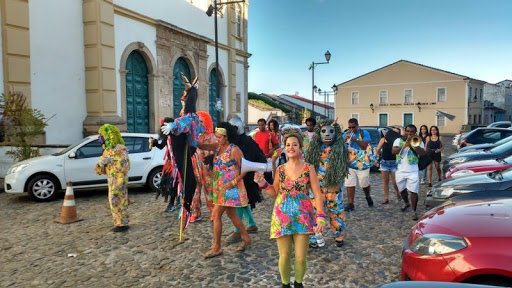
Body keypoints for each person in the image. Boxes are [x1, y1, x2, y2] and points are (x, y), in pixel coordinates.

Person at [254, 132, 326, 288]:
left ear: (300, 147)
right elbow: (274, 192)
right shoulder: (280, 169)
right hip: (282, 216)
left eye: (294, 144)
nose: (291, 147)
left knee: (300, 258)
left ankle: (299, 283)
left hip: (303, 216)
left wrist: (320, 216)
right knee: (284, 256)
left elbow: (317, 194)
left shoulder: (309, 168)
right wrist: (262, 183)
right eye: (288, 145)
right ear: (284, 148)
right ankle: (285, 284)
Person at [203, 122, 251, 259]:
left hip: (230, 188)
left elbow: (244, 169)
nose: (217, 139)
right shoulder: (218, 148)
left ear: (227, 137)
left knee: (216, 214)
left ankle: (216, 247)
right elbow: (201, 145)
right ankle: (246, 238)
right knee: (231, 214)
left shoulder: (234, 150)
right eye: (216, 136)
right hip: (219, 187)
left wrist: (233, 183)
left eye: (219, 137)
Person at [305, 119, 348, 248]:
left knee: (336, 211)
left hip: (334, 188)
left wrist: (375, 151)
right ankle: (314, 237)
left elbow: (355, 157)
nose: (328, 134)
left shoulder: (342, 149)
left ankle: (339, 236)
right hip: (316, 188)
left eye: (331, 131)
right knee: (313, 212)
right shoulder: (312, 149)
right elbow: (304, 164)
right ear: (319, 132)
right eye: (324, 131)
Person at [223, 115, 267, 243]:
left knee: (240, 202)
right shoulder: (235, 142)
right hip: (238, 176)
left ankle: (237, 232)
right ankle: (252, 224)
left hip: (246, 178)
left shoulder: (246, 142)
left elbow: (259, 157)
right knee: (243, 202)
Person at [95, 124, 130, 232]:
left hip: (120, 180)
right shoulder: (107, 150)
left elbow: (125, 165)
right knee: (113, 201)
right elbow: (100, 170)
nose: (100, 138)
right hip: (111, 180)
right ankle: (118, 222)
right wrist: (101, 164)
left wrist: (112, 161)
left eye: (102, 135)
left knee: (119, 200)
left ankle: (122, 224)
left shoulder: (120, 149)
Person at [392, 124, 426, 220]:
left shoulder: (418, 140)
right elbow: (393, 151)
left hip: (413, 170)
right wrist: (405, 146)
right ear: (405, 131)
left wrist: (414, 146)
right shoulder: (398, 140)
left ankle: (414, 211)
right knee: (402, 189)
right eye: (408, 131)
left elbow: (423, 153)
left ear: (415, 132)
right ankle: (406, 202)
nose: (409, 133)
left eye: (412, 132)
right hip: (400, 170)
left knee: (413, 191)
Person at [150, 117, 183, 212]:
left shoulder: (178, 136)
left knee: (175, 183)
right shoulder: (167, 137)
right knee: (170, 183)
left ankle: (173, 203)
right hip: (169, 164)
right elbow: (161, 146)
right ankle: (174, 202)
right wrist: (154, 143)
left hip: (177, 163)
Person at [342, 118, 374, 211]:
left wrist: (355, 139)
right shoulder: (346, 133)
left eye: (353, 127)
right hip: (349, 162)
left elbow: (364, 146)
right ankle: (351, 204)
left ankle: (367, 196)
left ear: (357, 125)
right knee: (349, 183)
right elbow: (340, 146)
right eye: (349, 127)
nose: (351, 129)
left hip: (362, 162)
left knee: (364, 182)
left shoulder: (364, 133)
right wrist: (344, 139)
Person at [190, 111, 216, 222]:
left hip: (207, 169)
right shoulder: (193, 136)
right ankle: (196, 212)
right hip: (195, 167)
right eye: (197, 121)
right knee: (195, 192)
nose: (199, 123)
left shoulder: (212, 137)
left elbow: (215, 152)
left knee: (209, 191)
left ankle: (213, 212)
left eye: (201, 121)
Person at [375, 128, 400, 204]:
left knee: (395, 182)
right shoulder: (383, 139)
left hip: (394, 162)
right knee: (385, 181)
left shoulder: (398, 140)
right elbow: (378, 149)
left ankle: (398, 193)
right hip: (384, 162)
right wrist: (378, 158)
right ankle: (386, 198)